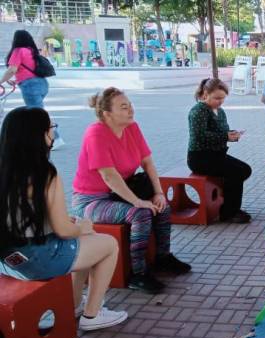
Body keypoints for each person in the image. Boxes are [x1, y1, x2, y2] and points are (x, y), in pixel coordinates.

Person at [0, 107, 128, 331]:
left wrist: (73, 228)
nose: (52, 133)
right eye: (51, 128)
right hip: (39, 258)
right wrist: (81, 226)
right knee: (107, 244)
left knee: (85, 242)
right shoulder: (44, 172)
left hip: (9, 259)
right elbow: (64, 231)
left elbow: (21, 215)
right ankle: (92, 314)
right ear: (38, 135)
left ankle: (74, 304)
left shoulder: (5, 169)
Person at [71, 87, 191, 294]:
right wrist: (137, 201)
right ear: (107, 114)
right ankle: (138, 274)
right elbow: (109, 176)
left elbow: (148, 162)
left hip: (120, 192)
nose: (130, 110)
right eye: (124, 107)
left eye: (130, 105)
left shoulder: (131, 128)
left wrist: (158, 193)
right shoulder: (95, 133)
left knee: (161, 206)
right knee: (141, 214)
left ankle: (162, 258)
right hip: (90, 201)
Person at [187, 78, 252, 224]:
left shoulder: (220, 111)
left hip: (217, 155)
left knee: (244, 170)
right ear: (205, 94)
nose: (220, 101)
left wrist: (232, 135)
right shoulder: (198, 111)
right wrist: (225, 136)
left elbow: (222, 132)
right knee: (238, 172)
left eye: (223, 98)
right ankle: (229, 212)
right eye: (217, 98)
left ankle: (230, 207)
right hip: (200, 158)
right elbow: (200, 136)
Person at [0, 30, 65, 148]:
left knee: (38, 114)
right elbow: (27, 70)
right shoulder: (31, 51)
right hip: (42, 84)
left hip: (30, 86)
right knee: (36, 112)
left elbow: (12, 70)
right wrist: (16, 80)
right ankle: (40, 139)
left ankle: (55, 139)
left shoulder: (18, 51)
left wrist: (1, 81)